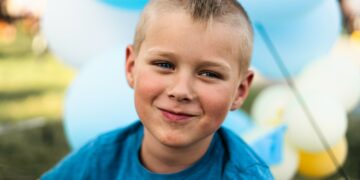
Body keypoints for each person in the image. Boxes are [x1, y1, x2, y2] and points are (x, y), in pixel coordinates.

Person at [42, 0, 273, 179]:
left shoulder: (246, 175)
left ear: (240, 91)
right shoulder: (99, 158)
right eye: (164, 65)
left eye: (209, 74)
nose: (181, 91)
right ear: (131, 67)